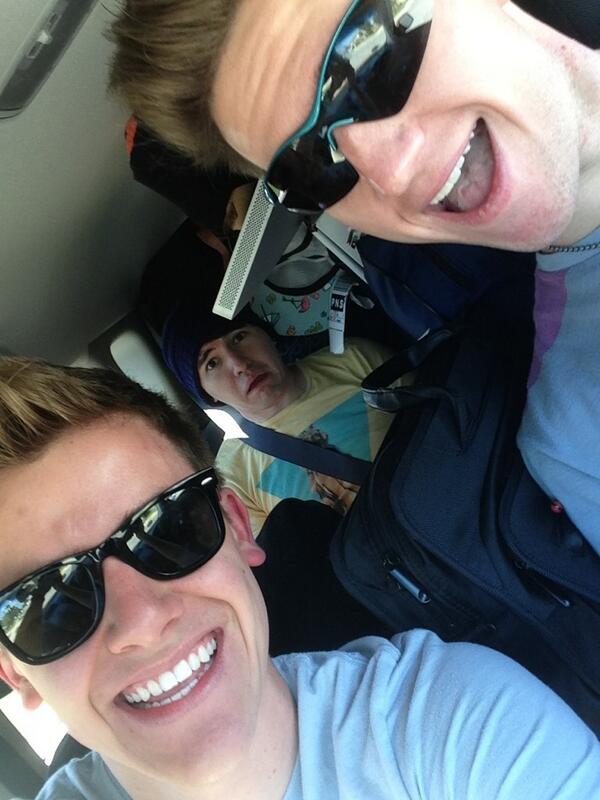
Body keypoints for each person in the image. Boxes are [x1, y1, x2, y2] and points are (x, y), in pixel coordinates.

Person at [108, 0, 600, 554]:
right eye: (310, 165)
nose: (390, 172)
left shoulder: (360, 358)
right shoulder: (564, 444)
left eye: (367, 51)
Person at [0, 356, 599, 800]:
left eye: (170, 528)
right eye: (46, 602)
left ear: (238, 528)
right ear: (13, 672)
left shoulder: (451, 719)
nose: (142, 621)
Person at [161, 302, 399, 534]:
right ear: (207, 394)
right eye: (212, 363)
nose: (240, 364)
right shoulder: (232, 477)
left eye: (239, 337)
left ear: (267, 336)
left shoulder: (355, 360)